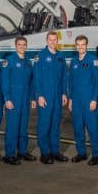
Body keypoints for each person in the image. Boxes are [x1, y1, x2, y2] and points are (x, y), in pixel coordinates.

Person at [34, 31, 68, 164]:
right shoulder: (40, 56)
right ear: (47, 41)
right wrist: (40, 95)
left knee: (55, 125)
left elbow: (64, 76)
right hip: (45, 96)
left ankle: (55, 151)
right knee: (44, 124)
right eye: (50, 40)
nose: (53, 42)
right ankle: (44, 153)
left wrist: (64, 93)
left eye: (55, 40)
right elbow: (37, 78)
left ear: (57, 41)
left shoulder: (60, 56)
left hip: (58, 96)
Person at [68, 35, 98, 166]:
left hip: (89, 100)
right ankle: (81, 153)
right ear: (76, 46)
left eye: (83, 44)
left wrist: (94, 99)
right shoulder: (74, 62)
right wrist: (70, 99)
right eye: (78, 44)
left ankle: (96, 154)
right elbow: (70, 82)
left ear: (86, 45)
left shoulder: (94, 60)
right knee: (78, 128)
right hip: (76, 101)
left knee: (92, 128)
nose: (80, 47)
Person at [1, 37, 37, 165]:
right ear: (16, 46)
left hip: (25, 98)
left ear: (26, 46)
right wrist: (7, 99)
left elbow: (32, 81)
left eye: (24, 45)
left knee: (23, 127)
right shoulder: (8, 61)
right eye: (19, 44)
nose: (22, 47)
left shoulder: (28, 62)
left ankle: (22, 151)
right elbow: (5, 81)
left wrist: (33, 97)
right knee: (12, 127)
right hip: (13, 98)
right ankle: (9, 155)